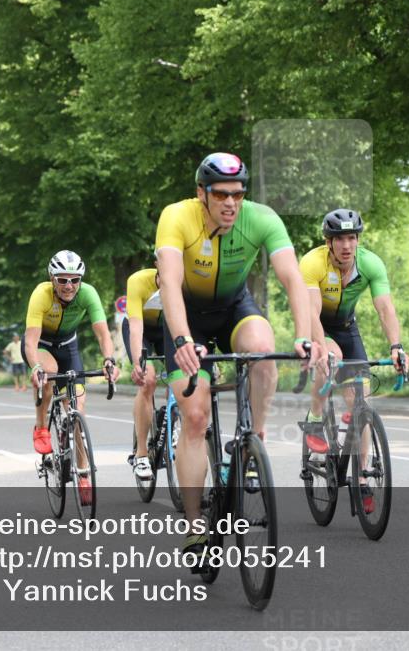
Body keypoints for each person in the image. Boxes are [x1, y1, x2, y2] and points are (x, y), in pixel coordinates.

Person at [155, 151, 323, 559]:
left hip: (234, 308)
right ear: (202, 194)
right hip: (186, 317)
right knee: (195, 418)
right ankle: (195, 524)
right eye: (221, 194)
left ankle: (253, 442)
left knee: (263, 350)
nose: (231, 203)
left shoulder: (261, 218)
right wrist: (180, 340)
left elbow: (292, 279)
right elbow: (171, 285)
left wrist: (304, 336)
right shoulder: (177, 217)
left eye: (238, 194)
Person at [298, 209, 409, 512]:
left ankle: (361, 479)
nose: (346, 245)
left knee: (359, 402)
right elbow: (310, 312)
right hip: (317, 323)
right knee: (330, 356)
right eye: (339, 239)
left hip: (347, 327)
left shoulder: (370, 263)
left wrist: (396, 347)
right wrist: (319, 347)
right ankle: (314, 419)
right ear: (328, 242)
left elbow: (385, 308)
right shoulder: (312, 263)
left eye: (352, 238)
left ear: (358, 239)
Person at [23, 250, 120, 506]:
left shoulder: (88, 294)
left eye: (74, 280)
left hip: (68, 346)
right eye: (63, 280)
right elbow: (30, 341)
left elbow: (103, 335)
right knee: (50, 373)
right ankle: (42, 427)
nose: (69, 286)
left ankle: (84, 473)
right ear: (52, 278)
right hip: (41, 346)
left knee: (78, 408)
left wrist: (109, 360)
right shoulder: (40, 294)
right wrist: (35, 368)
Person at [124, 267, 166, 481]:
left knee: (185, 378)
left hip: (168, 329)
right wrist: (138, 362)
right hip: (141, 330)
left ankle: (173, 422)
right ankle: (141, 454)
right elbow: (136, 326)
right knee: (148, 381)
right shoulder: (138, 281)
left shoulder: (188, 282)